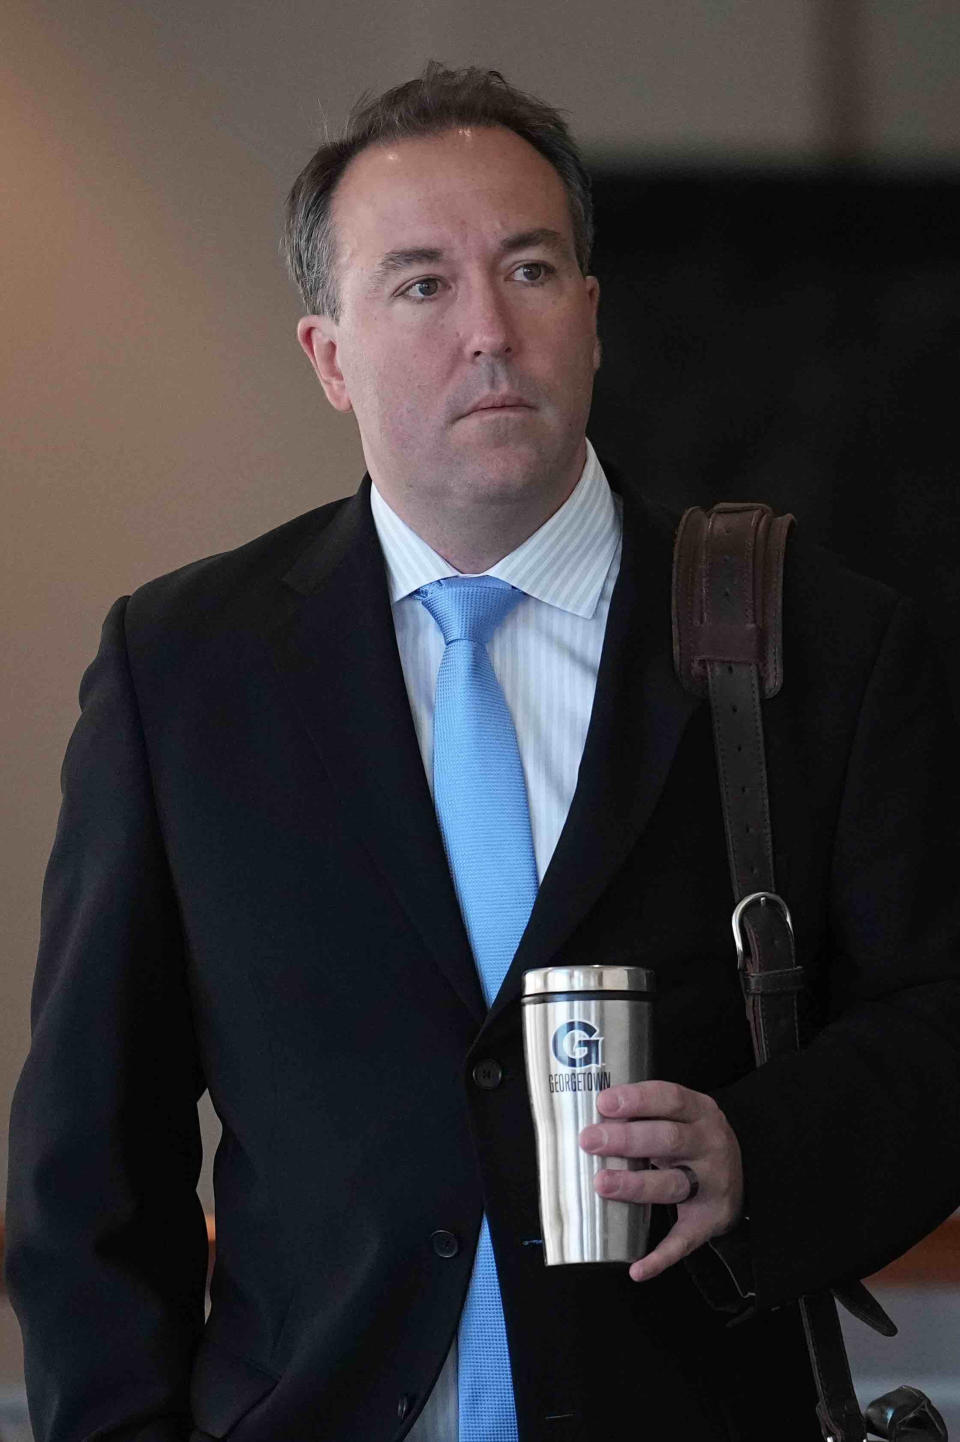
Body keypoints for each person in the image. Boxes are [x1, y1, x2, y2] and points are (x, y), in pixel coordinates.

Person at [5, 59, 960, 1442]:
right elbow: (90, 1164)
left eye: (529, 268)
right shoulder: (183, 673)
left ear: (591, 315)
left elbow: (941, 1023)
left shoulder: (818, 642)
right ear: (329, 356)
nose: (490, 332)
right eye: (420, 284)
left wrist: (762, 1148)